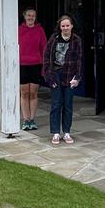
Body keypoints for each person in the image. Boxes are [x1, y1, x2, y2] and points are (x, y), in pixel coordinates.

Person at [43, 15, 83, 145]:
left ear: (72, 26)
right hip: (56, 75)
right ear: (60, 27)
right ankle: (55, 132)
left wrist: (77, 77)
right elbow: (47, 57)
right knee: (56, 104)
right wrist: (49, 76)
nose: (65, 28)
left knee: (68, 105)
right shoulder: (54, 39)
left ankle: (66, 132)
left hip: (70, 75)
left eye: (67, 25)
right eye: (63, 26)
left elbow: (79, 60)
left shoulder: (76, 40)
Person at [18, 7, 46, 131]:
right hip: (22, 65)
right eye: (28, 15)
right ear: (24, 16)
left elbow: (44, 48)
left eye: (33, 16)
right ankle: (26, 120)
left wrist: (45, 66)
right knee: (24, 93)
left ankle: (32, 120)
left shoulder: (40, 30)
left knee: (33, 93)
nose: (31, 18)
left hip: (36, 65)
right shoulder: (19, 30)